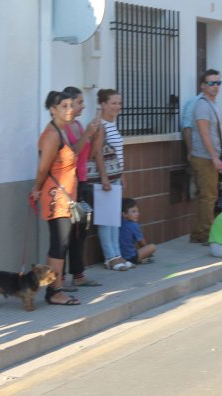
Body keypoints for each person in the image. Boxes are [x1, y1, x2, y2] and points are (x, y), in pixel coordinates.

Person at [31, 91, 80, 306]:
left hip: (64, 197)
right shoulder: (52, 135)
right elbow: (43, 168)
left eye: (71, 105)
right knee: (58, 244)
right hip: (56, 197)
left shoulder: (62, 131)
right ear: (52, 109)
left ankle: (55, 287)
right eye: (64, 106)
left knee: (62, 242)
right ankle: (54, 291)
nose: (69, 110)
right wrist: (36, 188)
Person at [60, 86, 102, 289]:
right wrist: (87, 134)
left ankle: (78, 274)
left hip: (83, 182)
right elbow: (72, 154)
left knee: (81, 231)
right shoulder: (65, 128)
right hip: (70, 185)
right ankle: (60, 279)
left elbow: (90, 154)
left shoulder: (77, 125)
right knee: (67, 233)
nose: (83, 106)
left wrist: (96, 134)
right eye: (80, 102)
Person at [93, 89, 134, 271]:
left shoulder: (111, 123)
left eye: (119, 103)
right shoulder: (100, 125)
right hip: (106, 179)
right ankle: (110, 257)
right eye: (113, 103)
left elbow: (116, 153)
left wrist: (122, 174)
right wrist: (104, 177)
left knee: (114, 218)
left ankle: (117, 255)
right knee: (106, 218)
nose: (117, 106)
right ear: (103, 104)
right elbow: (98, 153)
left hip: (115, 176)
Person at [189, 69, 222, 245]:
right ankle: (206, 234)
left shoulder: (212, 103)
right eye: (211, 83)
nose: (215, 86)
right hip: (204, 158)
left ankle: (198, 233)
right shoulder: (203, 105)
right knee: (209, 197)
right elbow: (204, 133)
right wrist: (214, 158)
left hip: (208, 157)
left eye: (218, 83)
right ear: (203, 86)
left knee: (206, 196)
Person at [119, 198, 157, 264]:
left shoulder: (119, 223)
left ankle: (141, 259)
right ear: (124, 214)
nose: (137, 214)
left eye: (137, 211)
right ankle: (140, 259)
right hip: (131, 257)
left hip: (119, 258)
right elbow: (142, 243)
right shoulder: (134, 225)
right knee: (152, 247)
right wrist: (147, 253)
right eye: (133, 211)